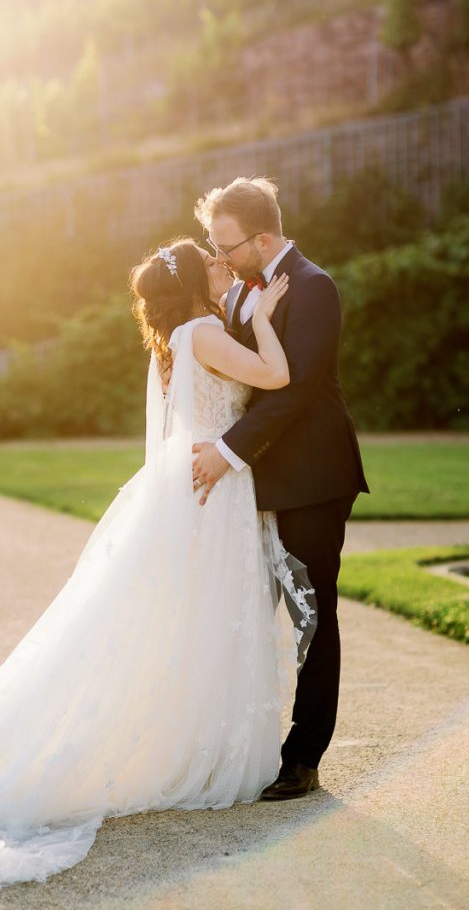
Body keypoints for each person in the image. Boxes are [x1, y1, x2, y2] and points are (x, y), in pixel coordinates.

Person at [0, 238, 313, 898]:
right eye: (212, 262)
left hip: (188, 486)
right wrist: (267, 319)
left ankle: (186, 741)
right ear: (195, 281)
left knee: (184, 620)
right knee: (204, 620)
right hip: (209, 490)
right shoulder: (204, 332)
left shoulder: (176, 339)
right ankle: (199, 752)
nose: (223, 265)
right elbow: (275, 377)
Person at [192, 176, 369, 801]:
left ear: (262, 238)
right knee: (241, 613)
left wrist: (226, 451)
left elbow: (291, 392)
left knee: (312, 617)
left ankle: (304, 756)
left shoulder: (315, 287)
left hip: (313, 479)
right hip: (261, 481)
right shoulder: (241, 292)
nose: (219, 258)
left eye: (226, 245)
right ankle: (233, 744)